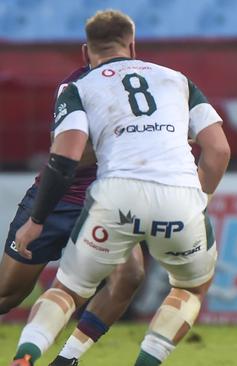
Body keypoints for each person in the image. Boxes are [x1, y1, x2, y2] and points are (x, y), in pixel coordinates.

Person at [9, 9, 230, 366]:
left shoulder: (80, 86)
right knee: (189, 288)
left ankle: (29, 356)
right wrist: (197, 200)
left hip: (115, 195)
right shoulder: (177, 79)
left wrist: (36, 220)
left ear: (86, 52)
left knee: (69, 289)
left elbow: (64, 158)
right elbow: (219, 150)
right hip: (179, 196)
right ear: (133, 46)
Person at [1, 63, 146, 366]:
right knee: (7, 295)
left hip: (107, 203)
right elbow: (71, 155)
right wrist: (123, 139)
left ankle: (65, 359)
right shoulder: (75, 87)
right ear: (88, 53)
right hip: (60, 199)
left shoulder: (147, 85)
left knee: (129, 276)